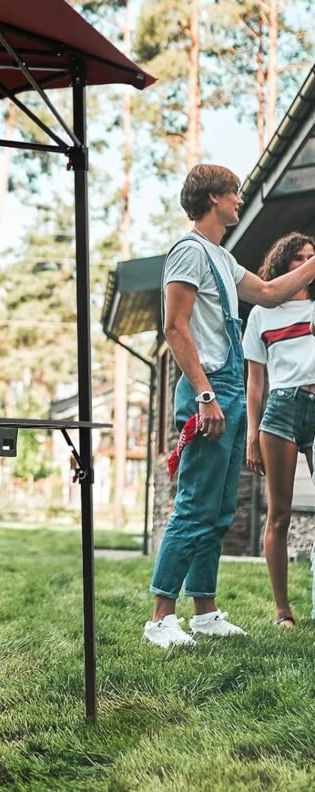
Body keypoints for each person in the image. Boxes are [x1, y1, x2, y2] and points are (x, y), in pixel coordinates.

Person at [144, 164, 315, 648]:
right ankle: (160, 617)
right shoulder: (188, 251)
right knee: (195, 505)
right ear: (213, 198)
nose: (241, 201)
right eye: (235, 193)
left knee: (220, 511)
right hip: (208, 389)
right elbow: (175, 328)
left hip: (233, 390)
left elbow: (268, 291)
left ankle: (205, 611)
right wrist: (204, 395)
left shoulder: (220, 255)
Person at [243, 233, 315, 628]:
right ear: (283, 263)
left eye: (312, 258)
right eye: (299, 258)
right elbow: (255, 381)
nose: (307, 264)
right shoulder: (263, 312)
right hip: (283, 409)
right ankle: (283, 611)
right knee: (279, 516)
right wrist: (252, 434)